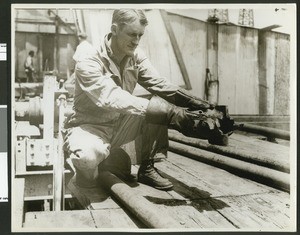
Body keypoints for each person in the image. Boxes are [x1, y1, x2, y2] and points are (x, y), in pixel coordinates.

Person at [64, 9, 222, 191]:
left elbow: (158, 84)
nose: (136, 41)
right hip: (90, 127)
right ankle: (97, 167)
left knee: (158, 103)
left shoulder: (135, 55)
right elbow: (110, 97)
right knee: (87, 158)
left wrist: (195, 102)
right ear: (114, 29)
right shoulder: (89, 59)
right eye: (132, 34)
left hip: (118, 124)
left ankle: (146, 168)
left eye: (140, 35)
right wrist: (172, 114)